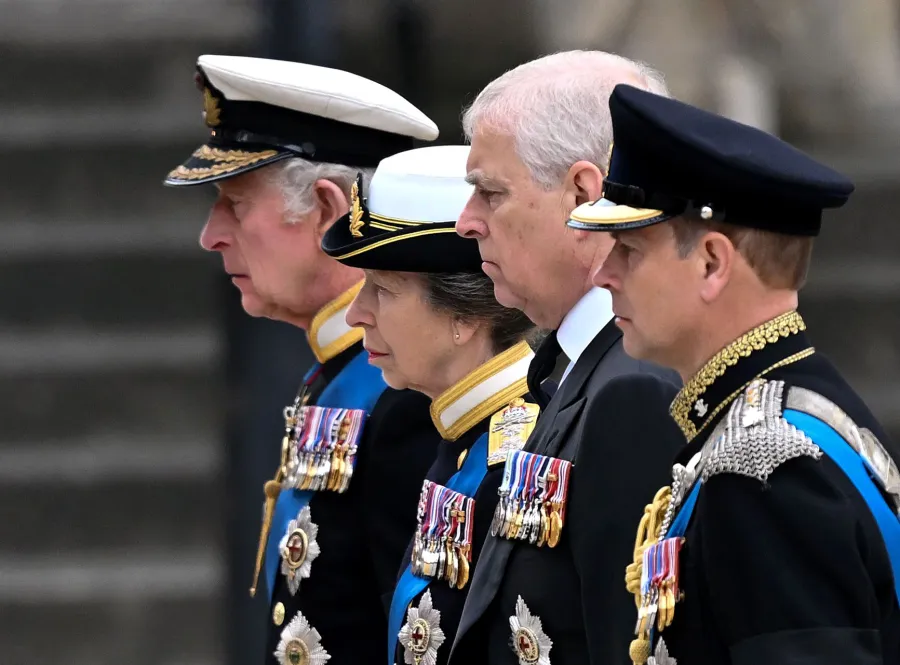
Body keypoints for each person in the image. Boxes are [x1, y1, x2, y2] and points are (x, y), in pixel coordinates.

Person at [574, 83, 900, 665]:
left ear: (712, 263)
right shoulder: (794, 411)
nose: (604, 275)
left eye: (629, 250)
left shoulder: (764, 471)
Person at [163, 54, 444, 665]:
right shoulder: (345, 373)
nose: (210, 235)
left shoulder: (408, 389)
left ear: (327, 208)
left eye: (234, 205)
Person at [450, 50, 685, 665]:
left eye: (490, 193)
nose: (465, 222)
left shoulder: (633, 388)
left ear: (584, 194)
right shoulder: (574, 367)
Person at [321, 144, 539, 665]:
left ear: (464, 314)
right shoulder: (459, 441)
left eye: (383, 289)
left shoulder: (517, 460)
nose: (356, 314)